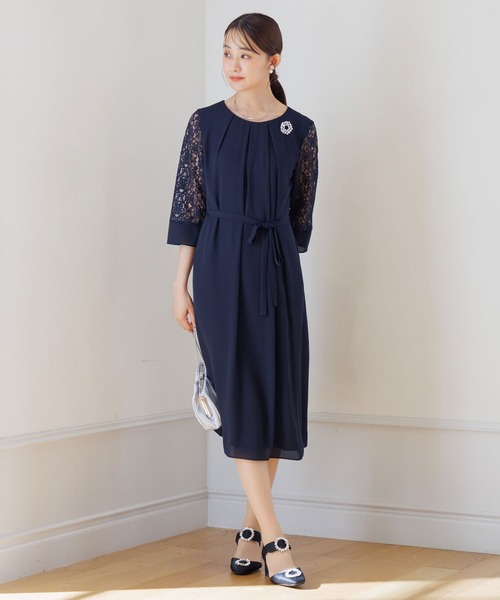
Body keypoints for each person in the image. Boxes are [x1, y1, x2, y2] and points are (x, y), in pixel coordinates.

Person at [167, 12, 318, 588]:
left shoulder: (300, 130)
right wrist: (180, 284)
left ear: (273, 62)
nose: (233, 65)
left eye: (246, 55)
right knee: (241, 396)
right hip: (219, 268)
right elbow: (189, 206)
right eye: (227, 53)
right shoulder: (205, 123)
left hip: (276, 270)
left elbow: (300, 215)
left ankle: (250, 530)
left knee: (274, 394)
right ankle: (277, 539)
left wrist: (272, 252)